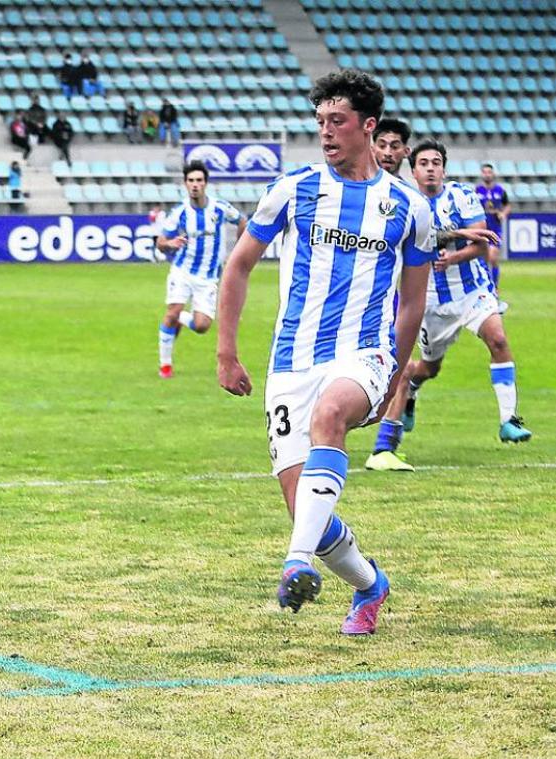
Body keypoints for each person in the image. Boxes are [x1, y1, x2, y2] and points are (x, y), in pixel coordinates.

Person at [216, 69, 436, 634]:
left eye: (336, 121)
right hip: (291, 361)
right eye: (319, 122)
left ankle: (295, 563)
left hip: (363, 353)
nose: (326, 132)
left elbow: (412, 303)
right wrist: (226, 352)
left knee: (330, 416)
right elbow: (238, 265)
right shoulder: (293, 189)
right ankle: (369, 584)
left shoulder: (409, 208)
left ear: (368, 127)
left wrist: (394, 379)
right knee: (305, 511)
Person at [377, 140, 532, 471]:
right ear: (414, 170)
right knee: (428, 368)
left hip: (472, 291)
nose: (431, 167)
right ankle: (413, 389)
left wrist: (455, 256)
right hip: (429, 301)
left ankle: (509, 420)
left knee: (499, 340)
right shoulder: (404, 200)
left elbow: (481, 239)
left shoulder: (461, 195)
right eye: (424, 163)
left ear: (444, 169)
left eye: (436, 162)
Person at [155, 161, 245, 379]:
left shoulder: (219, 208)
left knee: (202, 325)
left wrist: (238, 251)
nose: (195, 185)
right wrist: (170, 244)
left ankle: (181, 319)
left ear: (205, 183)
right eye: (191, 181)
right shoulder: (179, 212)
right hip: (183, 271)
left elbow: (242, 221)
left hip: (208, 277)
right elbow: (160, 242)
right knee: (172, 311)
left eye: (199, 180)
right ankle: (165, 366)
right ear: (185, 184)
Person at [475, 163, 510, 307]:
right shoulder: (477, 191)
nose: (487, 175)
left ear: (493, 174)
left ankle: (495, 287)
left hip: (495, 230)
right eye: (485, 172)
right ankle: (485, 288)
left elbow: (507, 205)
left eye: (489, 172)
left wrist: (503, 214)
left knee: (493, 257)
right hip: (482, 230)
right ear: (482, 174)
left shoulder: (500, 191)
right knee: (483, 260)